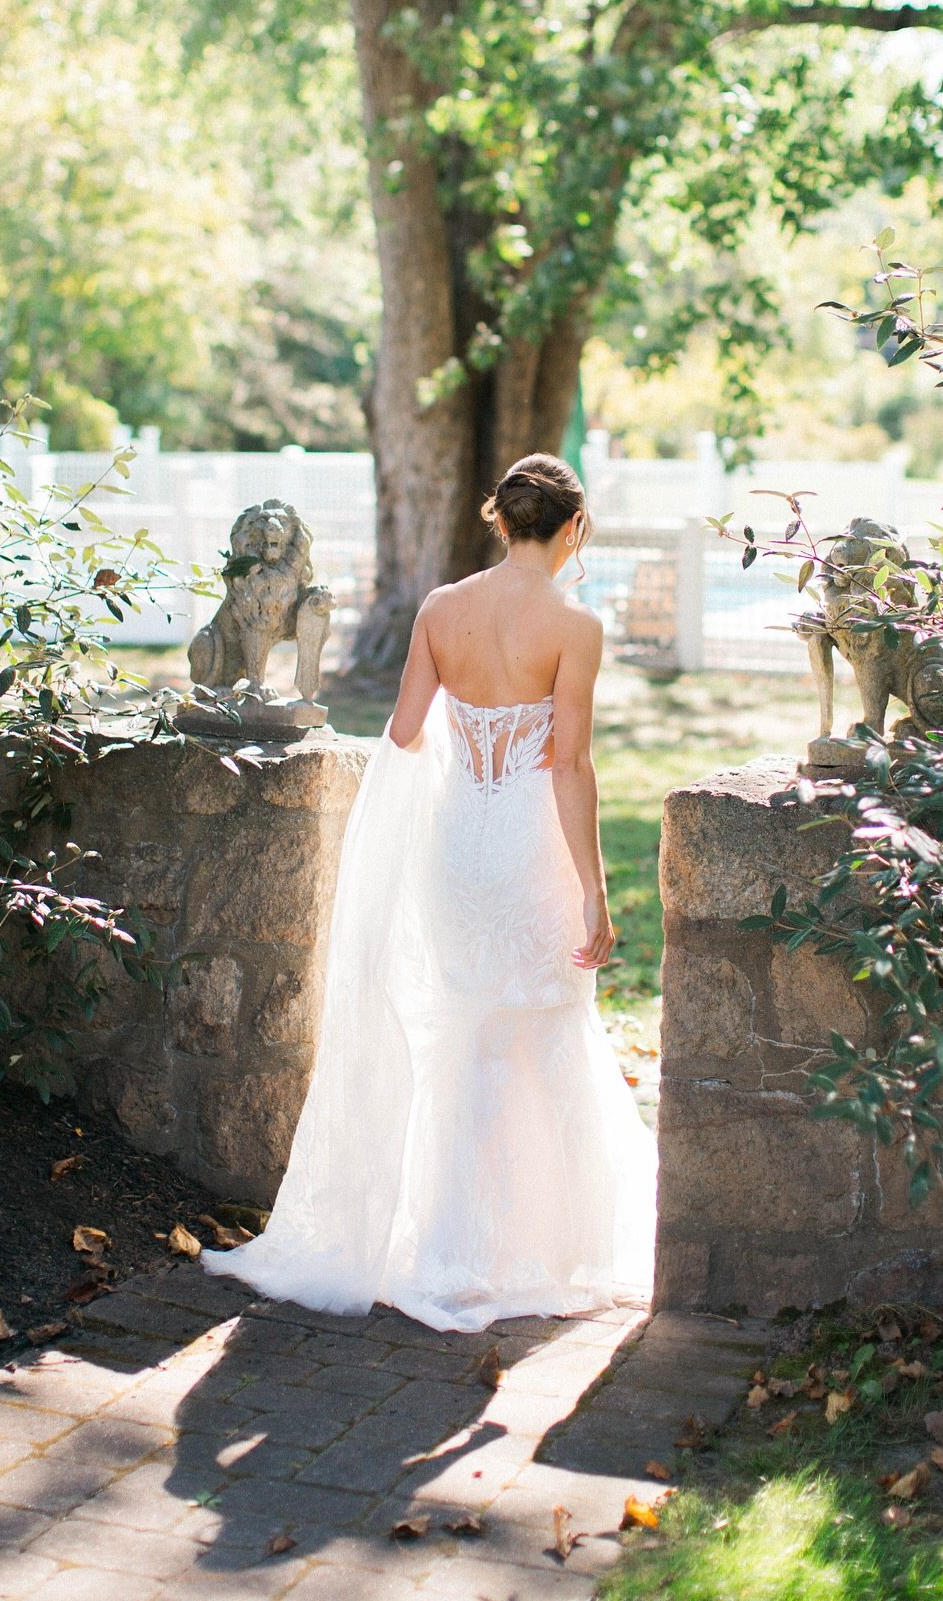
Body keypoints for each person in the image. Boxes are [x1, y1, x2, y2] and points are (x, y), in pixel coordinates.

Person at [201, 453, 657, 1332]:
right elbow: (570, 765)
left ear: (500, 519)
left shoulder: (444, 609)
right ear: (573, 528)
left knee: (458, 1029)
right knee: (539, 1029)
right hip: (529, 844)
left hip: (457, 841)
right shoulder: (575, 624)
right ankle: (533, 1247)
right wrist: (595, 893)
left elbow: (405, 731)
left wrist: (471, 735)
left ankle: (445, 1244)